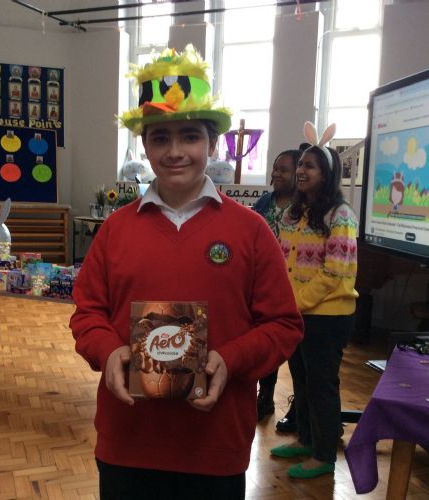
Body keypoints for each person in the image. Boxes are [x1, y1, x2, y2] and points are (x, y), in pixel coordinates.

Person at [70, 45, 304, 500]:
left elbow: (284, 325)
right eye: (160, 138)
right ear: (145, 145)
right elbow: (87, 313)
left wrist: (229, 359)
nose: (175, 152)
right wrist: (108, 350)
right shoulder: (116, 230)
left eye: (190, 137)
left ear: (212, 144)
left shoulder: (251, 231)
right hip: (128, 443)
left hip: (214, 446)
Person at [270, 122, 358, 479]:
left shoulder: (341, 215)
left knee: (322, 385)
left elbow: (335, 273)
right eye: (301, 165)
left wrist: (295, 303)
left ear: (327, 174)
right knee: (302, 381)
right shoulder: (292, 213)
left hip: (328, 316)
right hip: (298, 313)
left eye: (310, 166)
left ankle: (324, 455)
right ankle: (306, 439)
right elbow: (281, 260)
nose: (301, 171)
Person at [252, 149, 300, 425]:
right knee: (265, 343)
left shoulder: (303, 207)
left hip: (295, 285)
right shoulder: (264, 202)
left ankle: (298, 406)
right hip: (263, 283)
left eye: (283, 169)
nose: (276, 173)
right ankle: (265, 397)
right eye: (275, 168)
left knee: (296, 355)